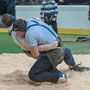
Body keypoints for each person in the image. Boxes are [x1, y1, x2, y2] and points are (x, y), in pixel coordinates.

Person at [2, 14, 88, 84]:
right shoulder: (30, 20)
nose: (16, 33)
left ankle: (59, 76)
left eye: (17, 32)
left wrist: (36, 48)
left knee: (33, 74)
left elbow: (35, 54)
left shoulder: (27, 35)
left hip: (53, 51)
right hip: (59, 42)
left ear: (20, 30)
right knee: (66, 51)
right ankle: (73, 66)